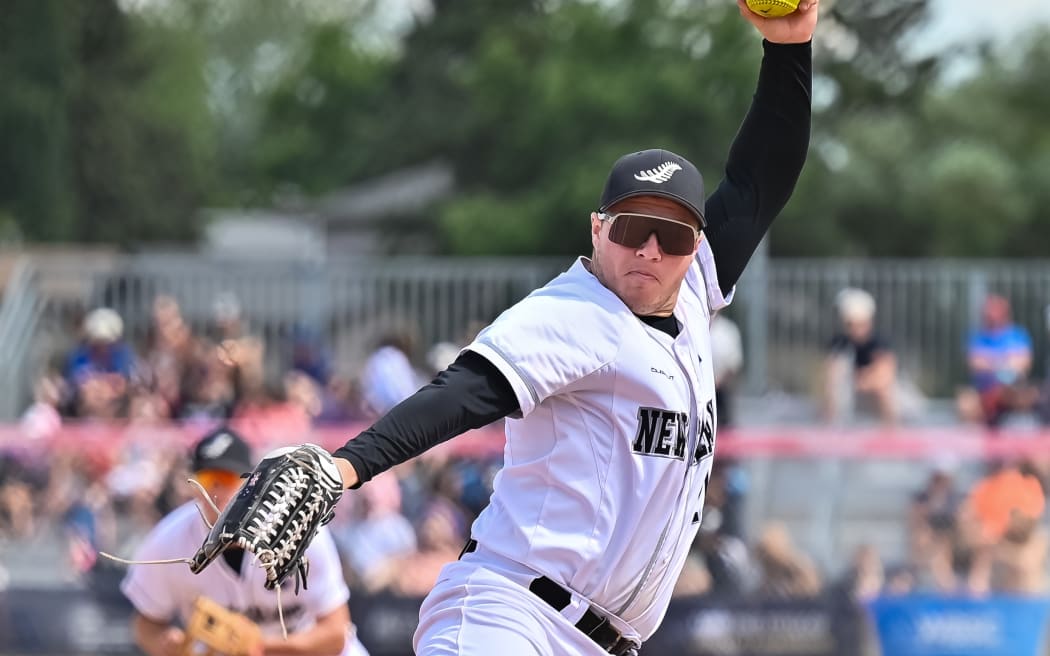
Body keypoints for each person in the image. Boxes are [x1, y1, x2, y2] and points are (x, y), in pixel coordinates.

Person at [321, 4, 816, 654]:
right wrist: (344, 467)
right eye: (632, 229)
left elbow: (760, 177)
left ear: (695, 245)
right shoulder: (572, 314)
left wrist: (791, 49)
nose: (649, 250)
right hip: (511, 616)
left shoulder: (691, 287)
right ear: (597, 229)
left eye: (669, 235)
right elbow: (464, 392)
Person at [120, 426, 368, 656]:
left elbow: (335, 635)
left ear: (254, 481)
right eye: (208, 481)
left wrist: (258, 645)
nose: (217, 492)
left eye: (229, 480)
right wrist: (167, 643)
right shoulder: (169, 541)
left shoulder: (298, 530)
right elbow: (146, 624)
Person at [956, 294, 1039, 427]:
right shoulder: (977, 336)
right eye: (989, 312)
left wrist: (992, 362)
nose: (991, 316)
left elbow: (1024, 363)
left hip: (1013, 388)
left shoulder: (1017, 335)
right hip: (984, 388)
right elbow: (975, 363)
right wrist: (1005, 362)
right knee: (966, 404)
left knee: (1027, 395)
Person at [820, 287, 898, 425]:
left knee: (882, 391)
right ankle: (829, 431)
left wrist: (859, 382)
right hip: (853, 397)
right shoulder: (840, 344)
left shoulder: (878, 343)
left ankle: (891, 433)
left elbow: (884, 377)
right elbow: (831, 376)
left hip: (877, 398)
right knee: (833, 388)